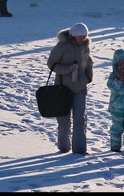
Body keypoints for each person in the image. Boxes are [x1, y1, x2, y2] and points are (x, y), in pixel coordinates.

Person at [46, 22, 94, 155]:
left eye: (85, 36)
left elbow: (89, 63)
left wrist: (88, 78)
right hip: (62, 90)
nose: (83, 39)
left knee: (80, 120)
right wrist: (67, 69)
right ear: (73, 36)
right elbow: (51, 64)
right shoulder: (61, 47)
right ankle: (63, 149)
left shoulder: (85, 47)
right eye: (80, 36)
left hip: (80, 89)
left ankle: (79, 150)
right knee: (64, 121)